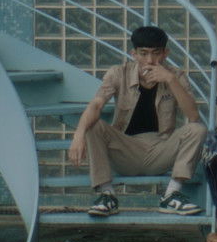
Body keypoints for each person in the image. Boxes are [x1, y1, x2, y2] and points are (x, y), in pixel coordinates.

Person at [67, 26, 207, 217]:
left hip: (161, 149)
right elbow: (96, 105)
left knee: (197, 129)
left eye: (156, 53)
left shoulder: (176, 75)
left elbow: (193, 117)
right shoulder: (119, 73)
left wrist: (171, 80)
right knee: (93, 125)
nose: (150, 60)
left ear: (165, 53)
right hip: (126, 151)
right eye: (143, 53)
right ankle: (107, 195)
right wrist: (78, 134)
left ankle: (171, 195)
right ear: (134, 53)